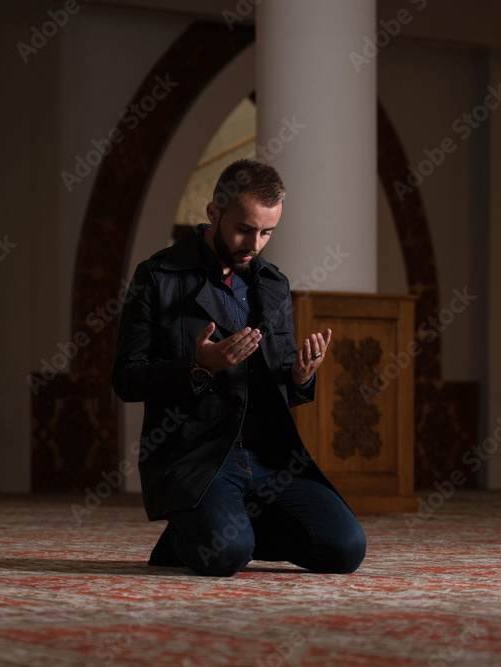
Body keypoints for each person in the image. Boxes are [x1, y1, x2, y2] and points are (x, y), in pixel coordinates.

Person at [111, 158, 365, 577]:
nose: (255, 242)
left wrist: (300, 376)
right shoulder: (157, 276)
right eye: (245, 228)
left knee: (345, 549)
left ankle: (215, 525)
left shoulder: (273, 283)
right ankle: (199, 529)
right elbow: (126, 378)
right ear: (213, 213)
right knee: (227, 556)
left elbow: (277, 379)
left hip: (270, 456)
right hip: (198, 455)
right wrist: (198, 365)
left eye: (267, 232)